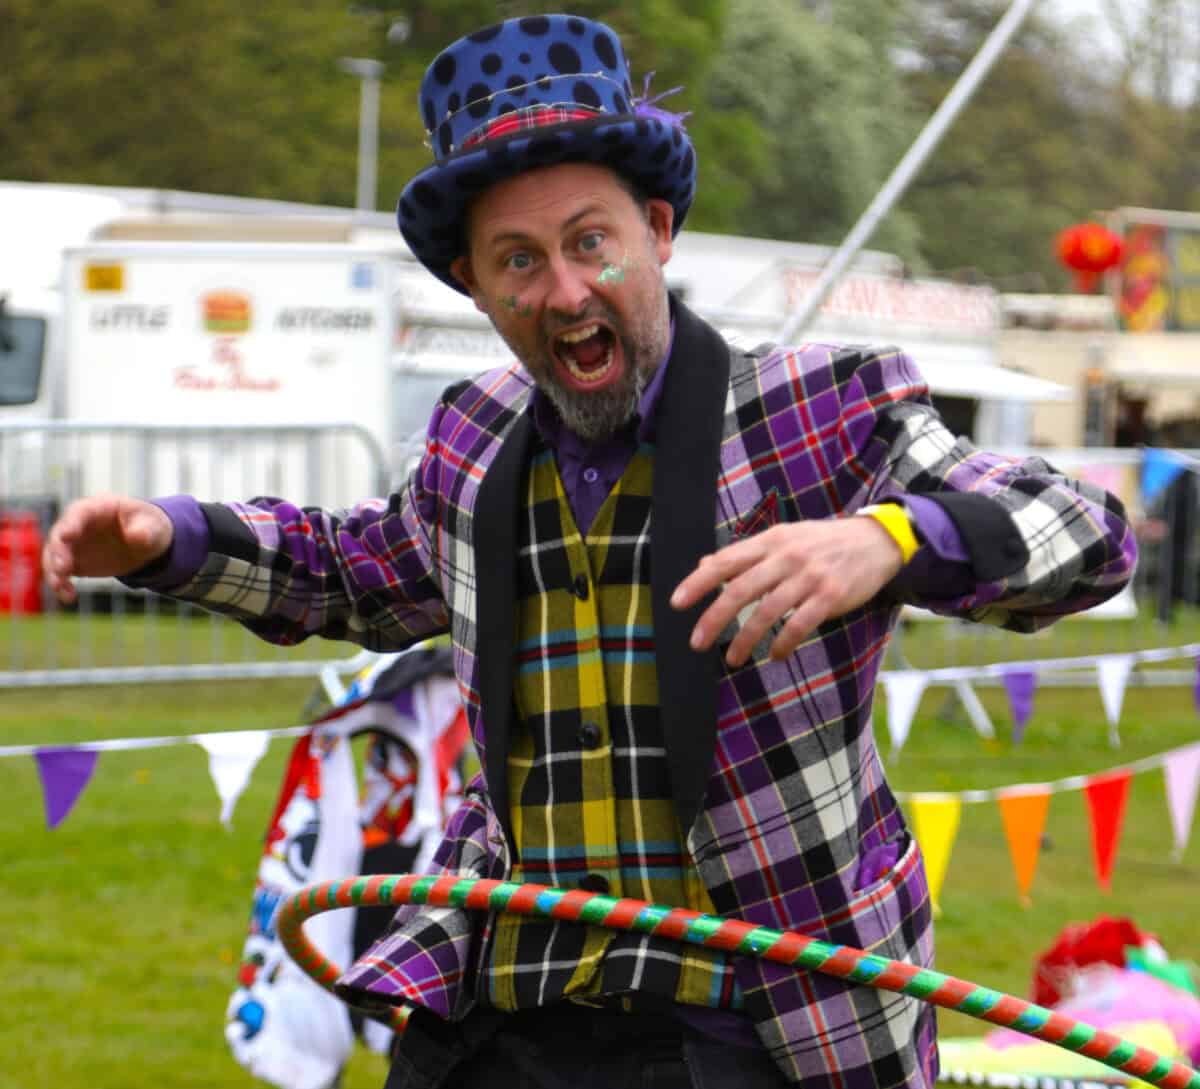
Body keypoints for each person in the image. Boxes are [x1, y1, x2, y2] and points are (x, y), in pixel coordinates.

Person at [42, 14, 1136, 1089]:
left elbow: (1088, 532)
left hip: (749, 1018)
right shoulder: (473, 437)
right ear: (474, 285)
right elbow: (357, 571)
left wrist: (888, 538)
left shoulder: (821, 409)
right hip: (506, 1004)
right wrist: (165, 539)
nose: (565, 291)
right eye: (517, 260)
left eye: (590, 241)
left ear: (656, 230)